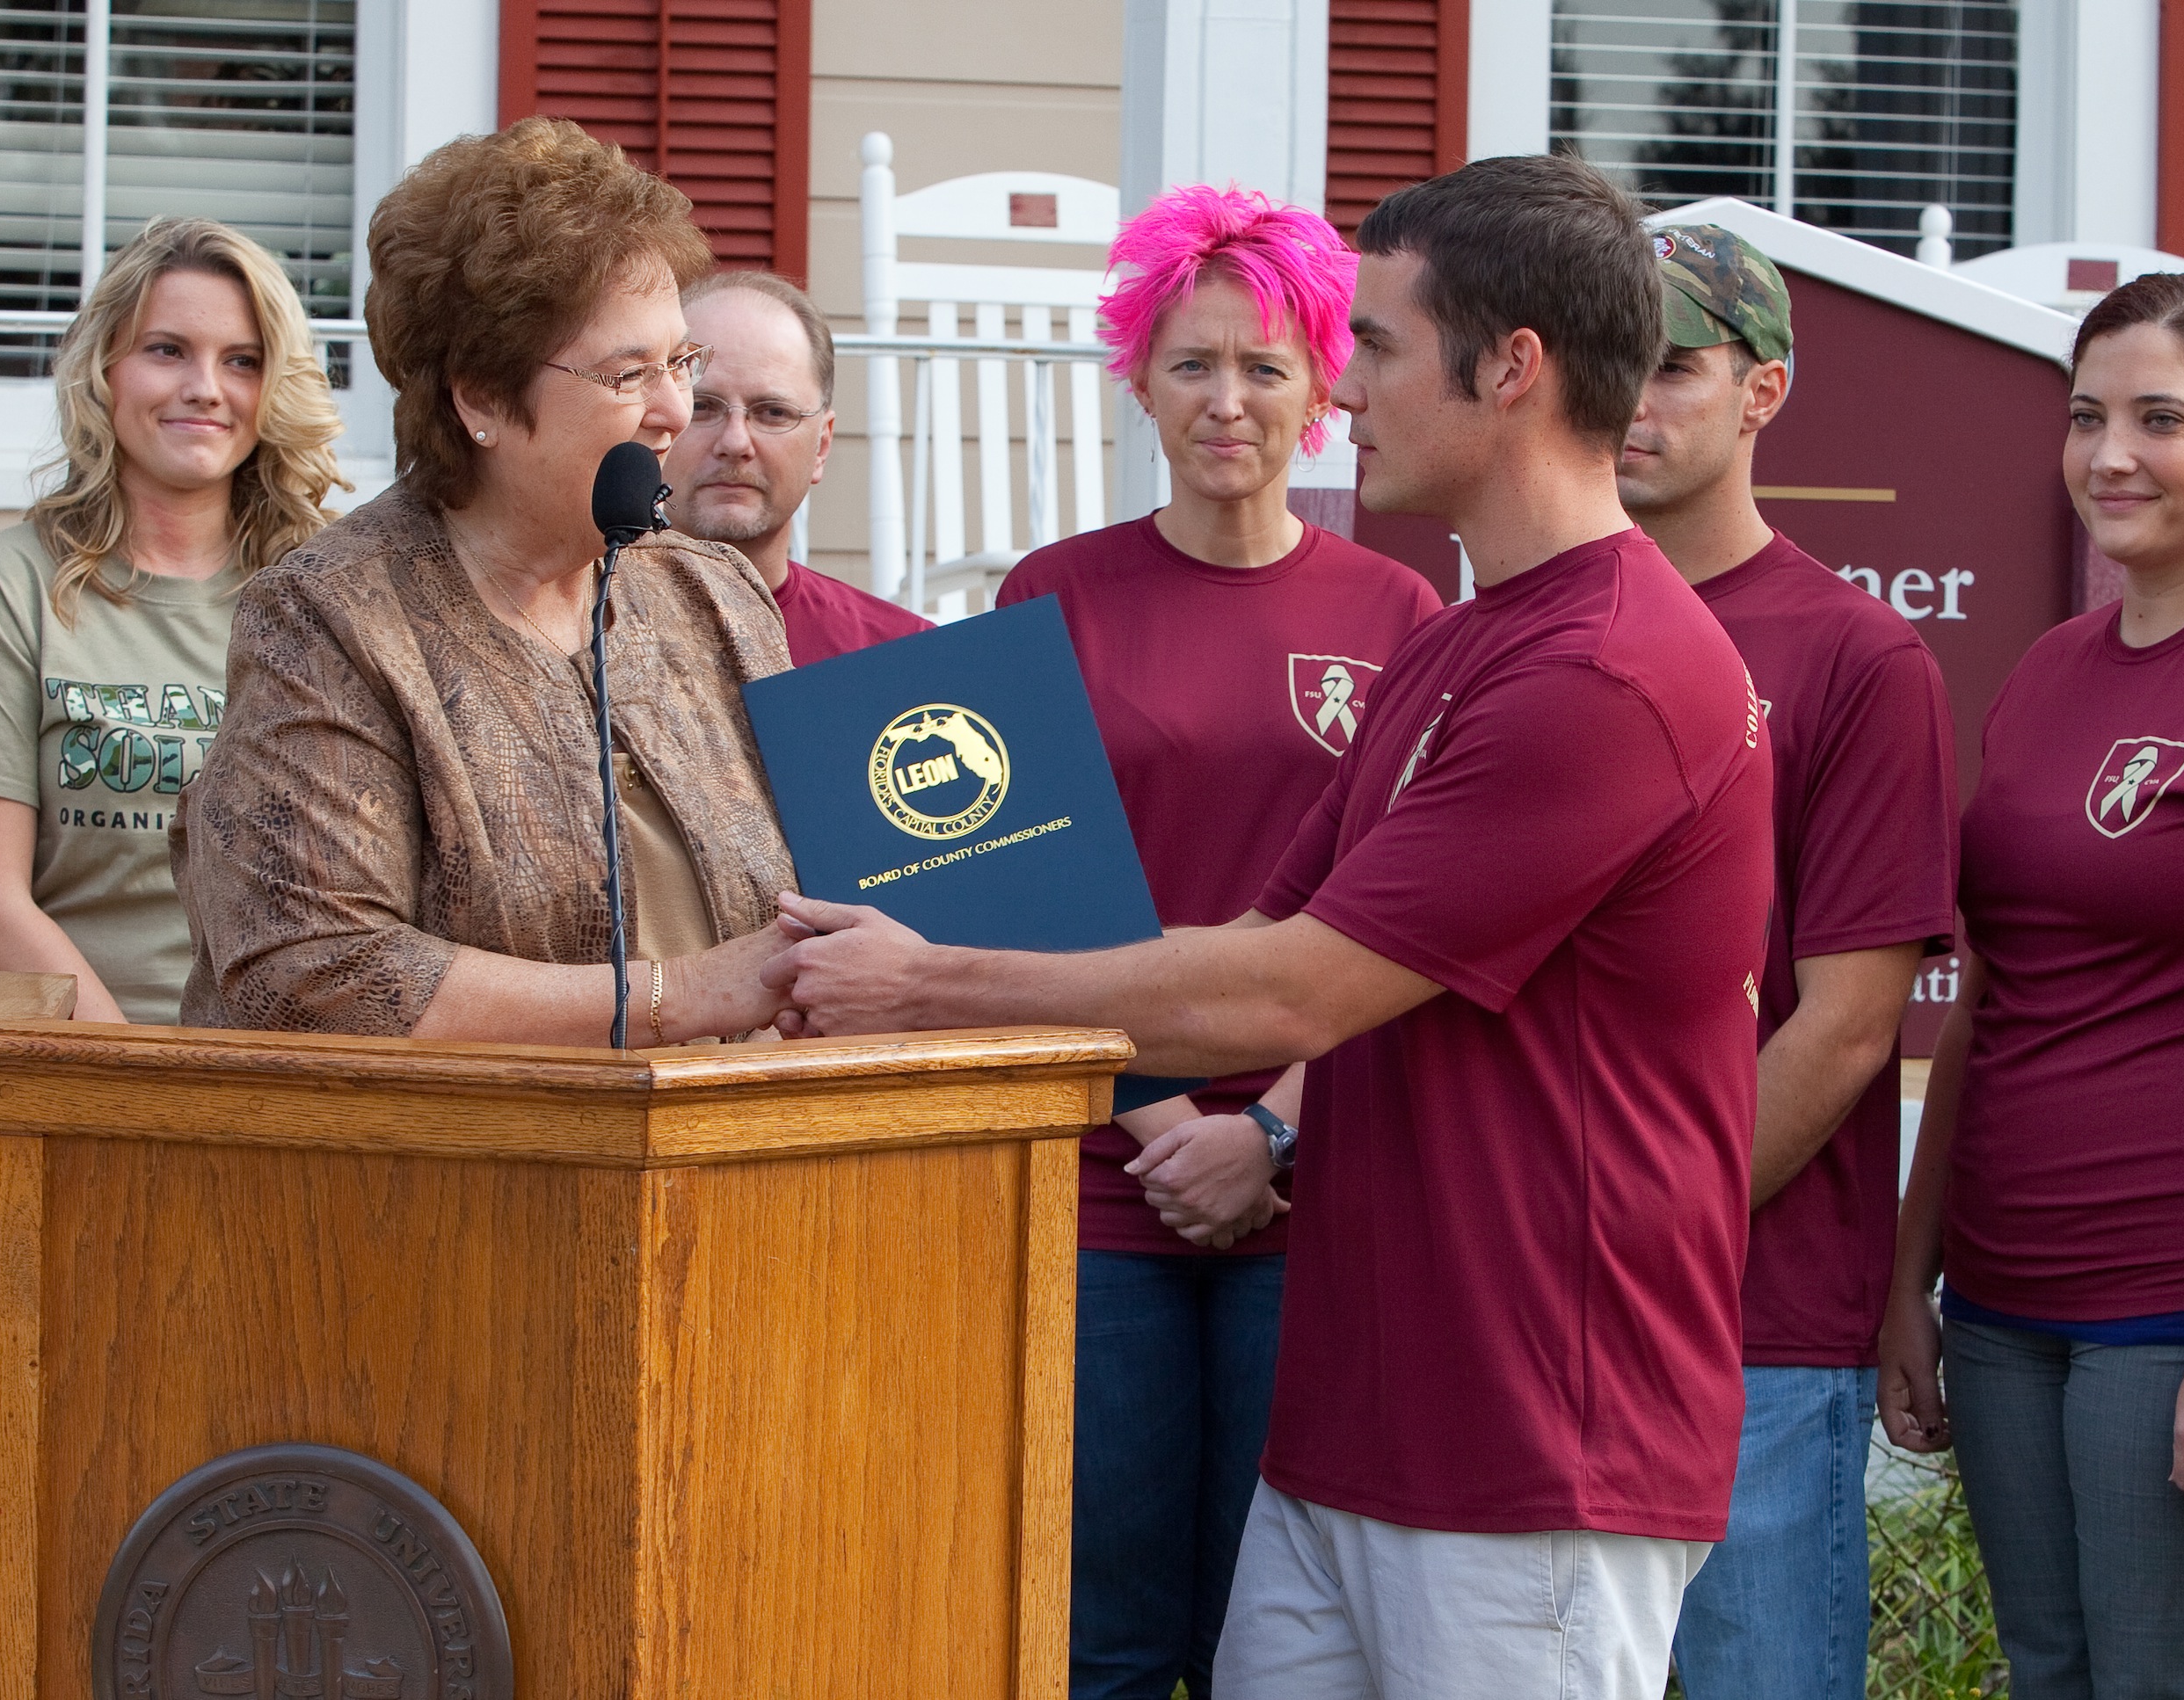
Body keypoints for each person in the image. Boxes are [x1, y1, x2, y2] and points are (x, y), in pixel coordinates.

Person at [763, 154, 1774, 1698]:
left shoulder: (1608, 671)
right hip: (1354, 1420)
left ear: (1510, 369)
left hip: (1533, 1447)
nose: (1336, 389)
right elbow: (1261, 923)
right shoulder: (1470, 646)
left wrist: (927, 979)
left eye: (1368, 345)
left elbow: (1293, 988)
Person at [990, 183, 1438, 1700]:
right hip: (1100, 1178)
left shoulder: (1403, 610)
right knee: (1094, 1635)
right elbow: (1024, 892)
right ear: (1138, 375)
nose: (1227, 398)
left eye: (1265, 364)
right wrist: (1165, 1114)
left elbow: (1411, 902)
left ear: (1326, 384)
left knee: (1278, 1643)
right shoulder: (1050, 594)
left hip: (1311, 1185)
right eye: (1192, 363)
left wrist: (1268, 1129)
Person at [1881, 270, 2184, 1696]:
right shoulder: (2049, 671)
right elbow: (1996, 983)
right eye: (2085, 416)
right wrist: (1910, 1275)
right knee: (2047, 1671)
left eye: (2159, 417)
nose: (2109, 453)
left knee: (2180, 1680)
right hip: (2001, 1299)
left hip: (2175, 1307)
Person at [175, 118, 800, 1045]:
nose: (676, 411)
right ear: (479, 398)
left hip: (738, 1169)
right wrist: (683, 994)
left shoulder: (715, 595)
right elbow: (314, 967)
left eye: (681, 360)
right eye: (629, 373)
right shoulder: (326, 620)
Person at [1615, 227, 1959, 1700]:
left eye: (1675, 366)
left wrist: (1633, 1237)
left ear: (1763, 392)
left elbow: (1847, 1022)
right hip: (1540, 1322)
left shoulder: (1857, 657)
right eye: (1608, 357)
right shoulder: (1526, 629)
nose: (1633, 395)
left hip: (1749, 1320)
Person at [0, 217, 345, 1025]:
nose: (205, 387)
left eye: (242, 361)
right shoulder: (8, 589)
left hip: (299, 1085)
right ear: (105, 370)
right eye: (167, 350)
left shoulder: (326, 595)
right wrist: (142, 1089)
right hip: (89, 1083)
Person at [665, 270, 932, 665]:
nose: (735, 442)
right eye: (702, 407)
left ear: (822, 445)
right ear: (654, 421)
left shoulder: (905, 658)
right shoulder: (575, 634)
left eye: (773, 412)